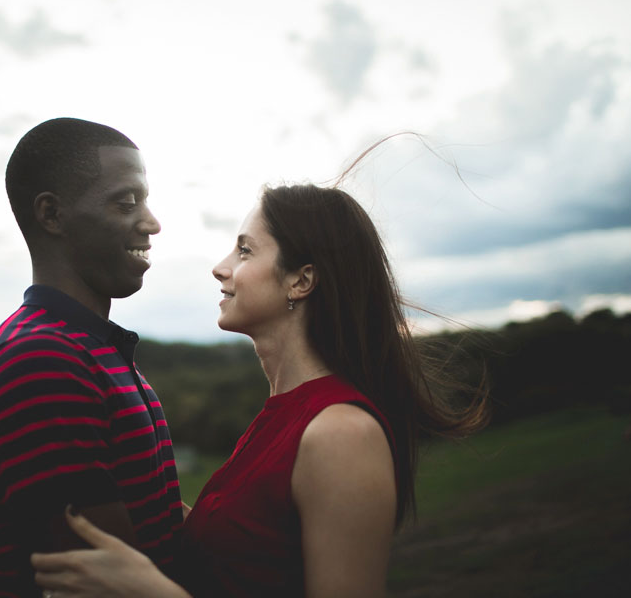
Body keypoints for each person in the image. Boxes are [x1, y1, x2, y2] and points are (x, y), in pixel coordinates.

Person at [30, 144, 489, 597]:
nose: (220, 268)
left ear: (301, 280)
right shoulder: (280, 415)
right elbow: (240, 555)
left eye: (245, 251)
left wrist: (148, 591)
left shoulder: (341, 432)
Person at [0, 118, 186, 597]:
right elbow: (109, 582)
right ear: (52, 215)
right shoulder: (38, 360)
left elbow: (161, 535)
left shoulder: (90, 349)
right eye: (127, 202)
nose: (152, 222)